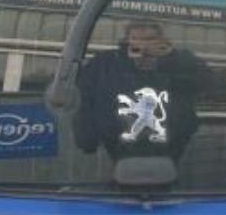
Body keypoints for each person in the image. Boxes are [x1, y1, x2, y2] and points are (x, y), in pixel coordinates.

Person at [73, 21, 207, 161]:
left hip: (173, 143)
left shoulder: (180, 62)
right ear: (127, 41)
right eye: (136, 39)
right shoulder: (107, 63)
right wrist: (87, 139)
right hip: (115, 144)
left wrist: (171, 58)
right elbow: (83, 97)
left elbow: (209, 85)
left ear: (161, 41)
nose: (143, 45)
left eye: (150, 39)